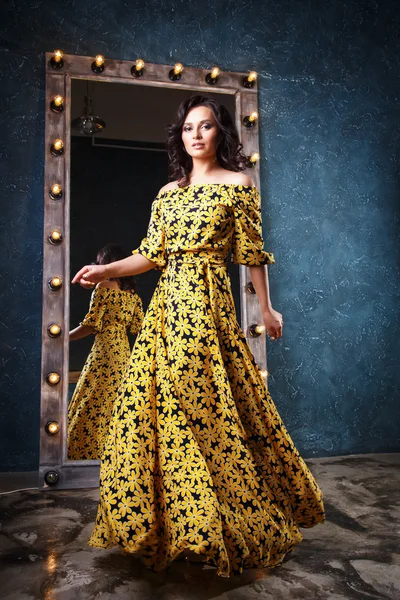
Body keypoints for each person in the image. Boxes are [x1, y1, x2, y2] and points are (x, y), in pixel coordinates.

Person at [72, 95, 325, 576]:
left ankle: (225, 522)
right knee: (147, 412)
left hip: (208, 311)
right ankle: (175, 527)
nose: (196, 134)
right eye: (188, 127)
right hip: (165, 312)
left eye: (206, 127)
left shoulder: (238, 186)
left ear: (219, 134)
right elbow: (148, 256)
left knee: (208, 409)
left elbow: (252, 254)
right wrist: (103, 272)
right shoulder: (168, 194)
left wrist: (267, 309)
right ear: (180, 137)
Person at [68, 243, 144, 460]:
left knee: (92, 401)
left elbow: (91, 325)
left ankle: (85, 454)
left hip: (104, 351)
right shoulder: (133, 295)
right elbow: (138, 328)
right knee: (115, 403)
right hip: (123, 354)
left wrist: (64, 338)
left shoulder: (103, 287)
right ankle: (116, 456)